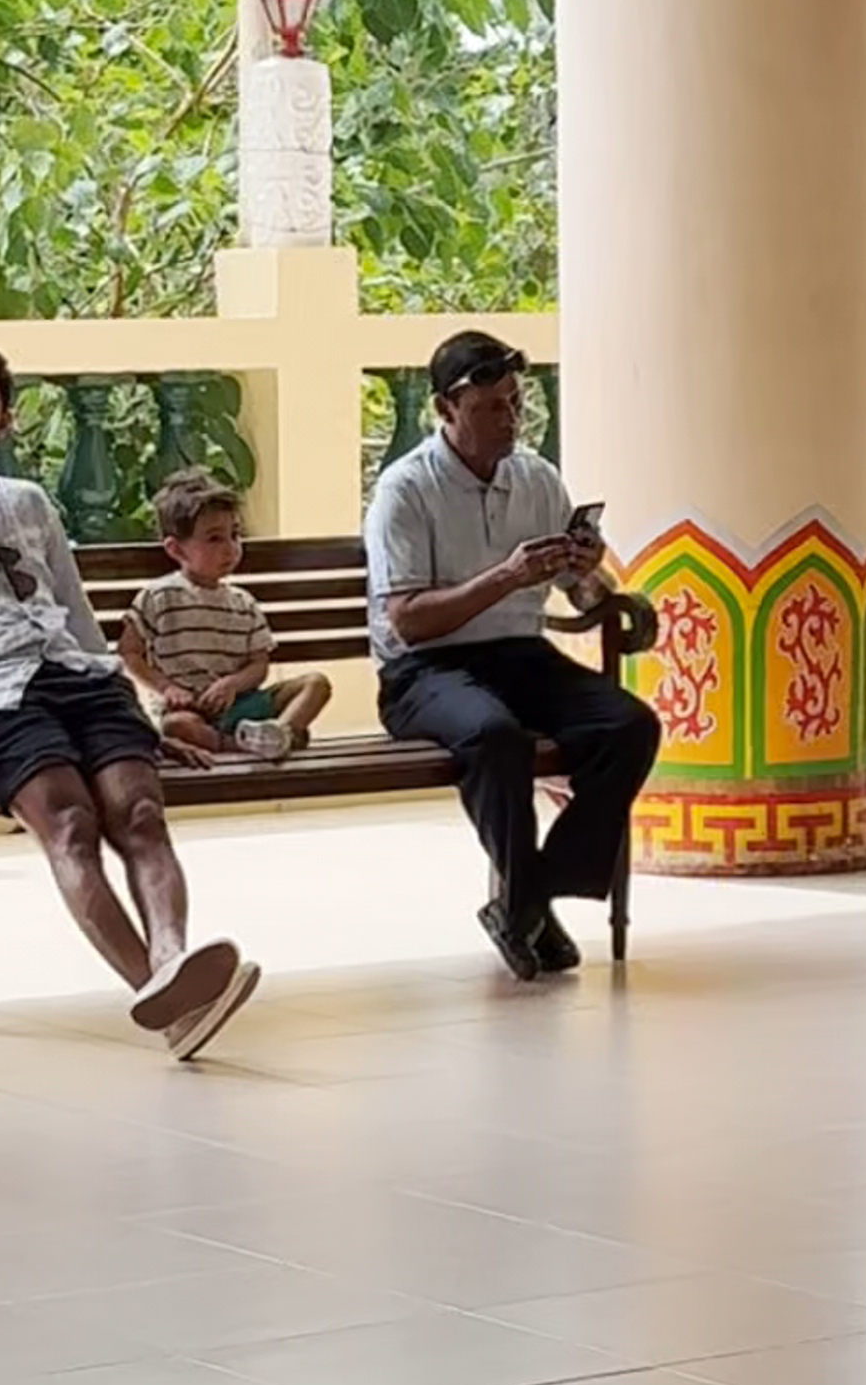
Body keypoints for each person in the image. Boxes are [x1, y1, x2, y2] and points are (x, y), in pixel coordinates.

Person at [0, 340, 252, 1058]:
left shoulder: (28, 504)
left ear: (5, 420)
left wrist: (147, 722)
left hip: (81, 681)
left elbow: (83, 626)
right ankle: (165, 998)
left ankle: (174, 965)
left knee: (142, 813)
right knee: (70, 822)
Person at [366, 329, 660, 976]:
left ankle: (525, 897)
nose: (510, 420)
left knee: (630, 724)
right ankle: (528, 902)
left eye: (515, 403)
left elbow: (584, 594)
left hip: (522, 657)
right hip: (427, 670)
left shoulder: (536, 478)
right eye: (491, 407)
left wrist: (589, 571)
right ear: (446, 408)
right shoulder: (405, 488)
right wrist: (505, 575)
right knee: (494, 735)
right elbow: (407, 621)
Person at [121, 470, 327, 760]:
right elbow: (130, 653)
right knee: (176, 726)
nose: (230, 548)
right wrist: (167, 688)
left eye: (235, 535)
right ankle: (253, 743)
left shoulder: (243, 603)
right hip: (191, 710)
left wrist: (233, 684)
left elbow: (259, 665)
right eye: (215, 539)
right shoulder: (158, 597)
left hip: (243, 704)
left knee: (315, 684)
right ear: (176, 548)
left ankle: (277, 732)